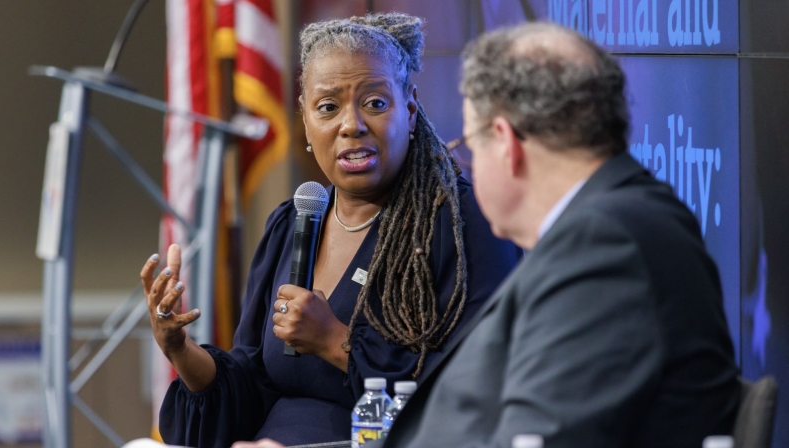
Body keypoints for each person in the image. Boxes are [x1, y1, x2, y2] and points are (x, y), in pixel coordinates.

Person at [140, 12, 519, 447]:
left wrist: (334, 341)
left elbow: (471, 390)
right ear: (305, 119)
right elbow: (252, 384)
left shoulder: (459, 223)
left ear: (410, 110)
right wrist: (179, 348)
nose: (351, 124)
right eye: (328, 107)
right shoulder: (294, 222)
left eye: (375, 103)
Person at [371, 23, 741, 448]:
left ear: (506, 144)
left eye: (469, 145)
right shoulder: (603, 230)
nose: (468, 163)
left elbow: (540, 436)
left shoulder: (607, 247)